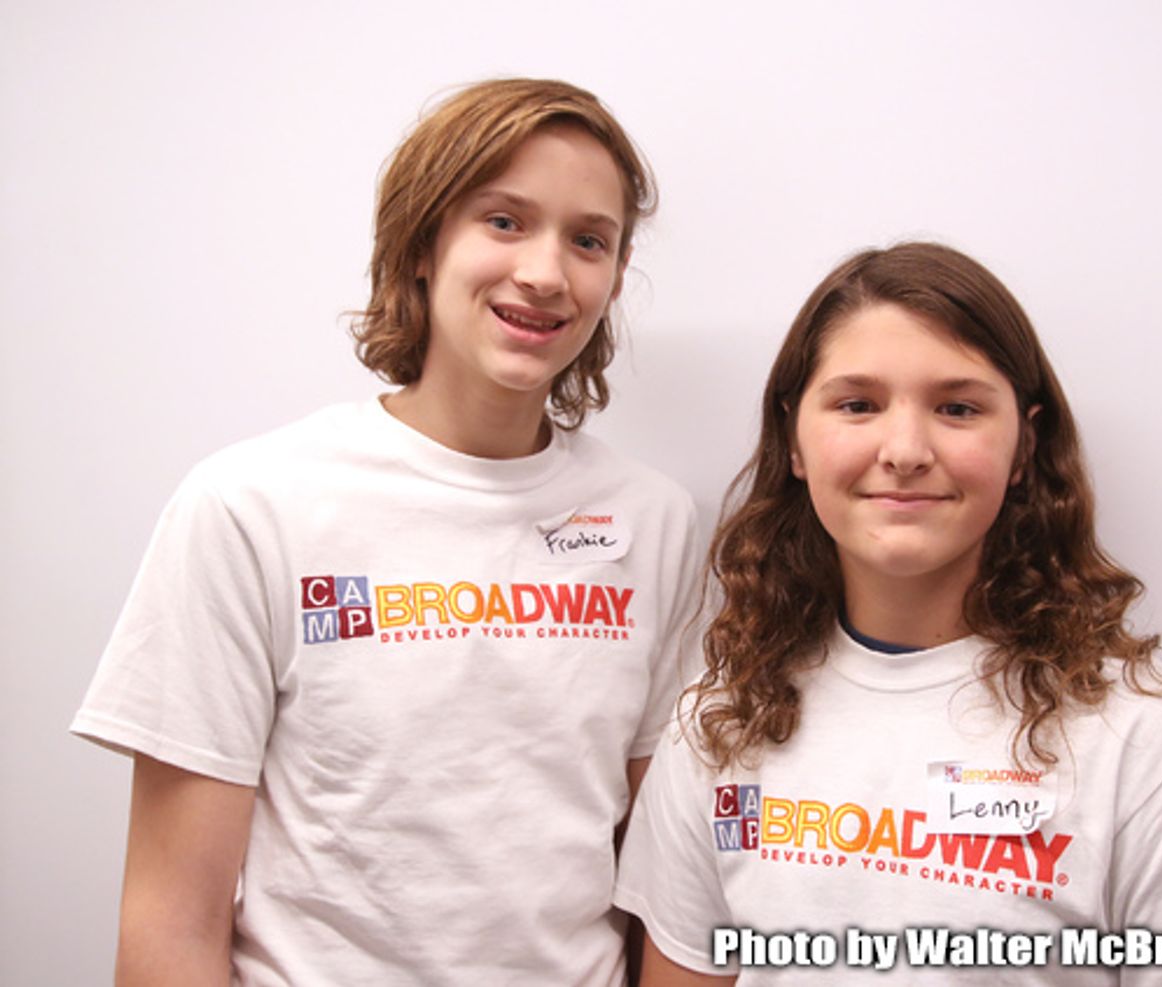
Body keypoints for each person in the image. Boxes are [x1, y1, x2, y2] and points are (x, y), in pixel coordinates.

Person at [72, 78, 700, 986]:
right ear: (421, 243)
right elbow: (172, 920)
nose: (546, 272)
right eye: (505, 221)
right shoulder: (253, 505)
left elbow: (668, 877)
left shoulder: (654, 521)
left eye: (588, 240)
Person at [615, 242, 1162, 985]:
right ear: (794, 438)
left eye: (957, 407)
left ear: (1024, 446)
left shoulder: (1142, 737)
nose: (906, 449)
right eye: (858, 404)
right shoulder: (723, 717)